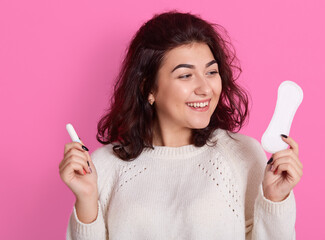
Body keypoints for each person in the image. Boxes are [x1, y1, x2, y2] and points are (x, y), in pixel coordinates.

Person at [59, 10, 303, 240]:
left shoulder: (242, 155)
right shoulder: (104, 166)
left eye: (211, 72)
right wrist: (87, 199)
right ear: (148, 88)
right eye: (185, 75)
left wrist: (274, 198)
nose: (205, 88)